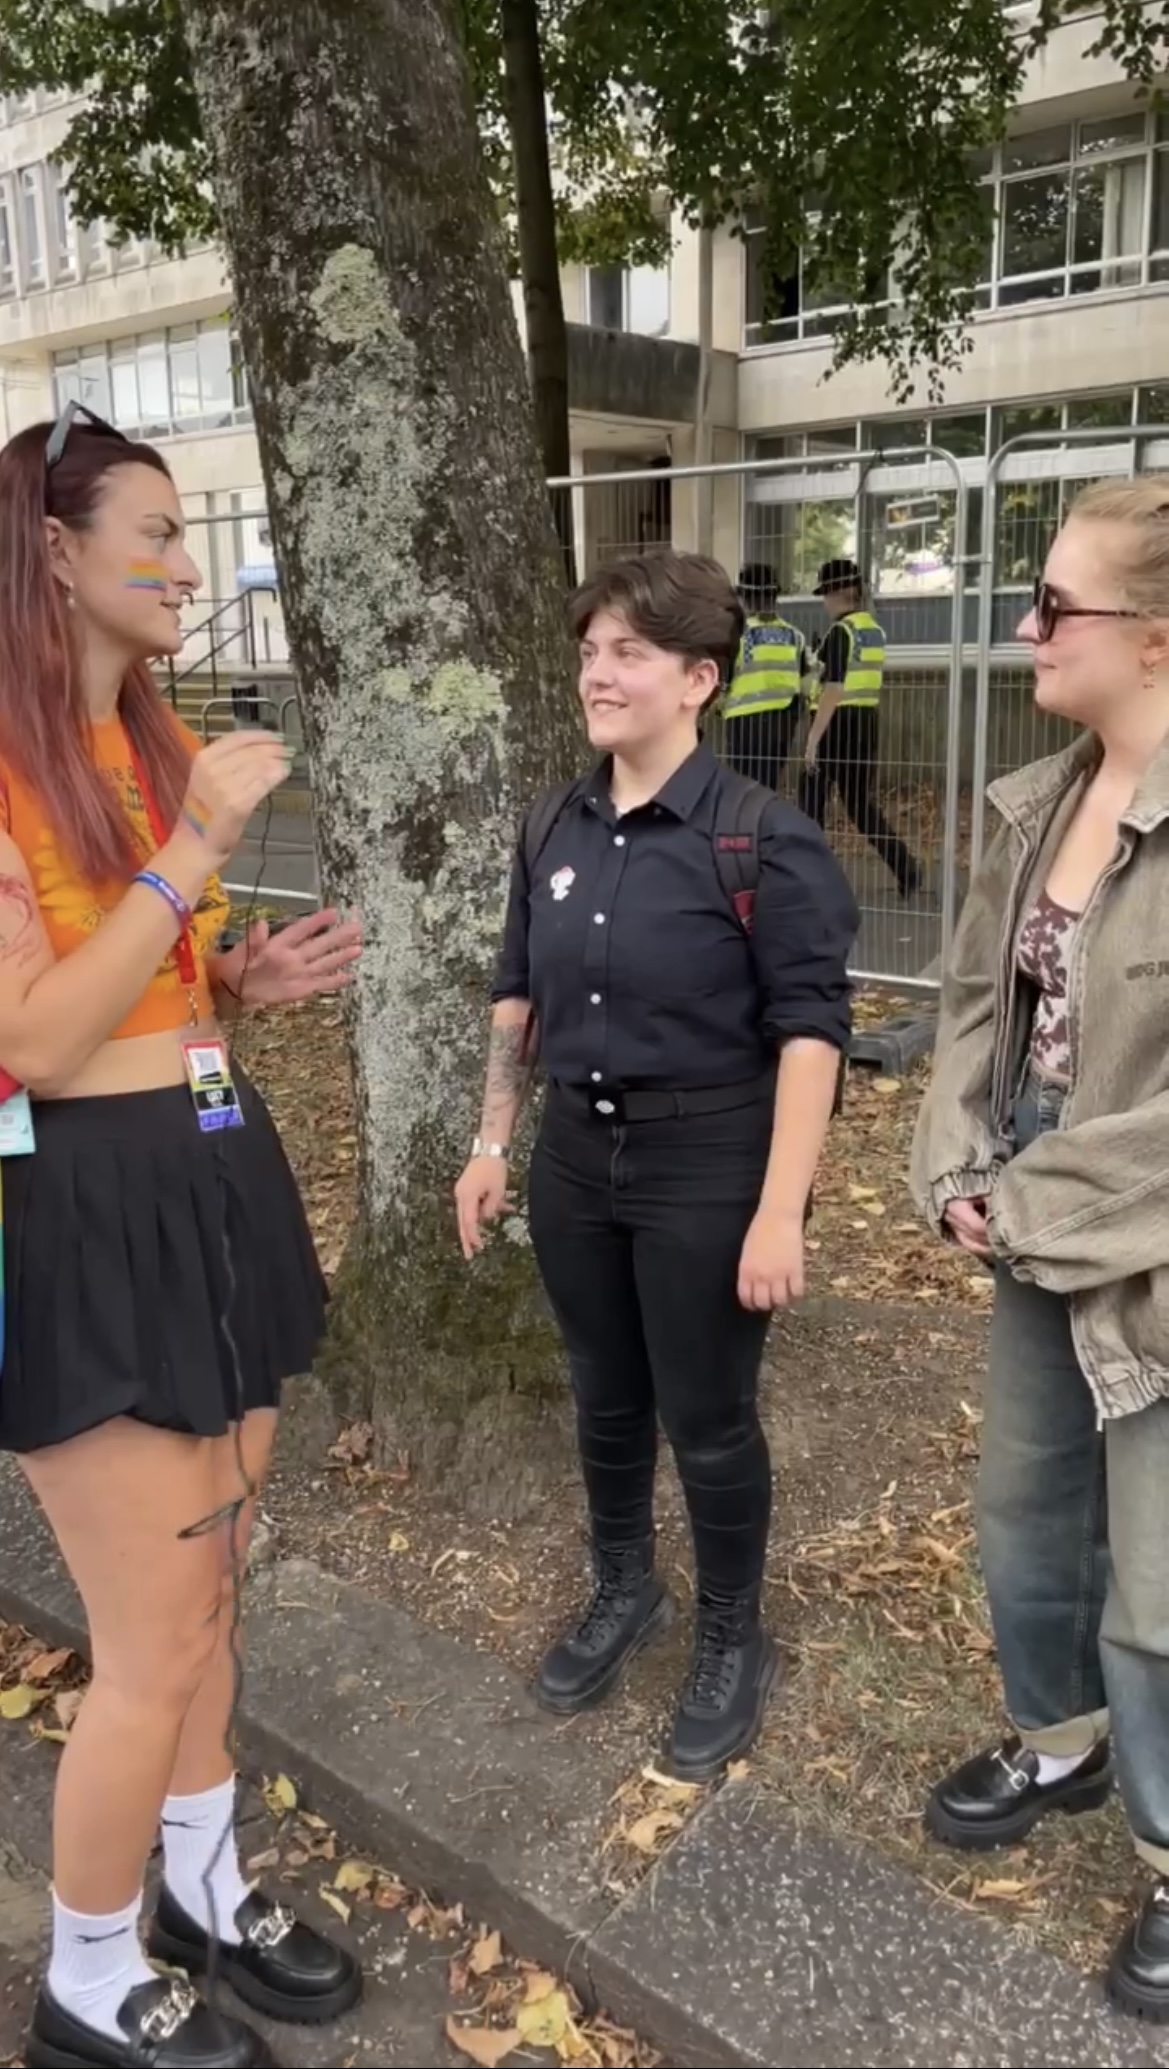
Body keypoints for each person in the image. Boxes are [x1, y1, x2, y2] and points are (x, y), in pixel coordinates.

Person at [0, 405, 364, 2069]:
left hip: (216, 1164)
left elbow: (153, 974)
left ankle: (205, 1884)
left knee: (213, 1592)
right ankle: (82, 1972)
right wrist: (199, 845)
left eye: (185, 531)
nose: (182, 563)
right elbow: (44, 1039)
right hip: (82, 1199)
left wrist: (240, 974)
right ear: (53, 549)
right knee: (147, 1638)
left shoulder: (146, 746)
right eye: (150, 530)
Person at [454, 551, 857, 1780]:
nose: (597, 672)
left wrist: (777, 1212)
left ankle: (734, 1632)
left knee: (708, 1412)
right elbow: (515, 996)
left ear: (698, 678)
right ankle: (624, 1586)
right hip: (577, 1155)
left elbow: (808, 1034)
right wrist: (490, 1143)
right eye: (588, 652)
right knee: (602, 1389)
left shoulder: (762, 843)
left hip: (707, 1160)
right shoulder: (550, 821)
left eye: (626, 651)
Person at [910, 478, 1169, 2024]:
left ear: (1153, 634)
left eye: (1054, 606)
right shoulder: (1036, 799)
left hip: (1135, 1233)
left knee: (1156, 1576)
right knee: (1022, 1514)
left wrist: (1026, 1194)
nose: (1026, 627)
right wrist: (953, 1162)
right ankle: (1058, 1739)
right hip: (1025, 1216)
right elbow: (964, 1015)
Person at [800, 557, 922, 898]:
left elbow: (834, 688)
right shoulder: (873, 629)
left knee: (810, 805)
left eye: (825, 592)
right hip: (865, 724)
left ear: (840, 592)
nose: (824, 600)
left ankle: (809, 881)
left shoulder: (841, 632)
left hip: (834, 725)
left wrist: (813, 739)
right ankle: (907, 870)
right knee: (860, 807)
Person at [719, 563, 812, 790]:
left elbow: (723, 678)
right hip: (783, 723)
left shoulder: (738, 633)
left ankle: (747, 826)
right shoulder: (794, 635)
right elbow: (806, 681)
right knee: (767, 787)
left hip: (744, 722)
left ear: (745, 597)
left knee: (742, 789)